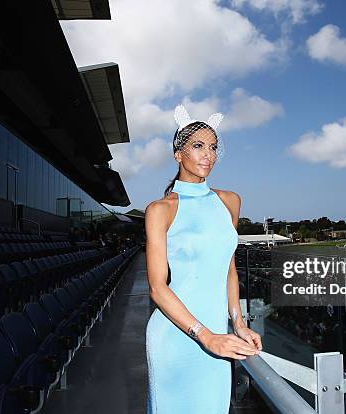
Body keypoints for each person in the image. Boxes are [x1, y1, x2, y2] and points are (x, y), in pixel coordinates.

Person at [145, 105, 262, 413]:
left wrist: (238, 323)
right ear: (177, 154)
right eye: (198, 145)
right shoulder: (161, 209)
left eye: (213, 147)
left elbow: (229, 268)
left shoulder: (229, 201)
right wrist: (206, 336)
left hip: (217, 339)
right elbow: (157, 288)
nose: (208, 154)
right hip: (177, 338)